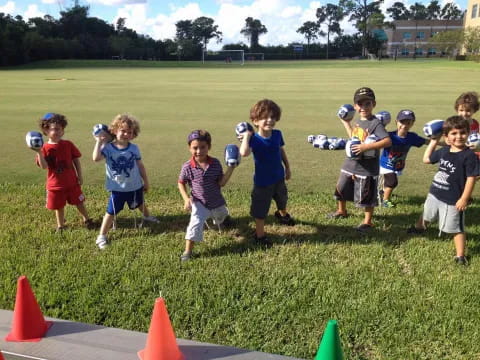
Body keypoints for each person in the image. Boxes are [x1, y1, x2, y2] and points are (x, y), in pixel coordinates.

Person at [408, 116, 479, 265]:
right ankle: (419, 227)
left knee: (456, 228)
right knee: (427, 213)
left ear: (467, 133)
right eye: (454, 133)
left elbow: (471, 178)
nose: (459, 136)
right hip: (435, 192)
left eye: (463, 132)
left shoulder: (469, 156)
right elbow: (426, 159)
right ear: (446, 137)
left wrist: (464, 198)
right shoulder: (444, 151)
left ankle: (460, 255)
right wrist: (434, 140)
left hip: (453, 199)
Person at [328, 87, 392, 232]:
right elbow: (354, 137)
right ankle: (341, 211)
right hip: (350, 164)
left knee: (367, 196)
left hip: (367, 168)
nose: (364, 107)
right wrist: (345, 122)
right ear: (355, 106)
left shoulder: (376, 123)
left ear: (373, 104)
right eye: (360, 104)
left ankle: (367, 222)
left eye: (367, 104)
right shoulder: (358, 121)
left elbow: (387, 141)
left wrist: (365, 147)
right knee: (341, 189)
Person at [93, 114, 159, 249]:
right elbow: (96, 158)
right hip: (117, 189)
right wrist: (99, 141)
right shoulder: (108, 148)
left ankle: (147, 216)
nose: (126, 134)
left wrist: (145, 181)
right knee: (111, 212)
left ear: (133, 134)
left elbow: (140, 165)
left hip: (135, 186)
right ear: (115, 130)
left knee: (140, 203)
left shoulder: (134, 148)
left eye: (130, 132)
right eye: (123, 131)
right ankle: (102, 236)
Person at [239, 99, 294, 247]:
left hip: (279, 177)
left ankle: (282, 214)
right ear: (255, 121)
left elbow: (281, 150)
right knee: (260, 211)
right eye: (264, 117)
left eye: (273, 117)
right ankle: (260, 235)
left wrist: (287, 167)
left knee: (282, 199)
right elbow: (244, 153)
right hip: (263, 183)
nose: (269, 120)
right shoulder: (254, 139)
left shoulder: (277, 134)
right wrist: (246, 137)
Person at [178, 130, 236, 261]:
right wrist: (186, 199)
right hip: (199, 203)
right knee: (194, 224)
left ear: (209, 147)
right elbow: (181, 183)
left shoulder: (215, 164)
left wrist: (231, 167)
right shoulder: (187, 167)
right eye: (195, 148)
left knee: (221, 215)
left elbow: (221, 183)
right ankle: (188, 252)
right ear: (189, 148)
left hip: (216, 201)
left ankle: (223, 219)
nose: (199, 151)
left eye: (202, 147)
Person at [33, 113, 94, 232]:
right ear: (46, 130)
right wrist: (39, 152)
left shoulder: (68, 144)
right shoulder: (44, 148)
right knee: (59, 207)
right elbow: (44, 167)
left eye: (59, 129)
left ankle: (87, 219)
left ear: (63, 131)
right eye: (53, 129)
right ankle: (61, 226)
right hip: (55, 186)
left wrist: (79, 175)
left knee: (79, 202)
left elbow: (76, 160)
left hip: (72, 182)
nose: (57, 131)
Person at [379, 110, 427, 208]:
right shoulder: (389, 136)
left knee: (390, 183)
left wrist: (443, 143)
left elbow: (426, 141)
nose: (404, 125)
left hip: (398, 166)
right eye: (402, 122)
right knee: (392, 182)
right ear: (396, 122)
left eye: (408, 123)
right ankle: (385, 201)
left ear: (412, 123)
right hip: (385, 165)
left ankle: (382, 192)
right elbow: (375, 139)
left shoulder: (412, 137)